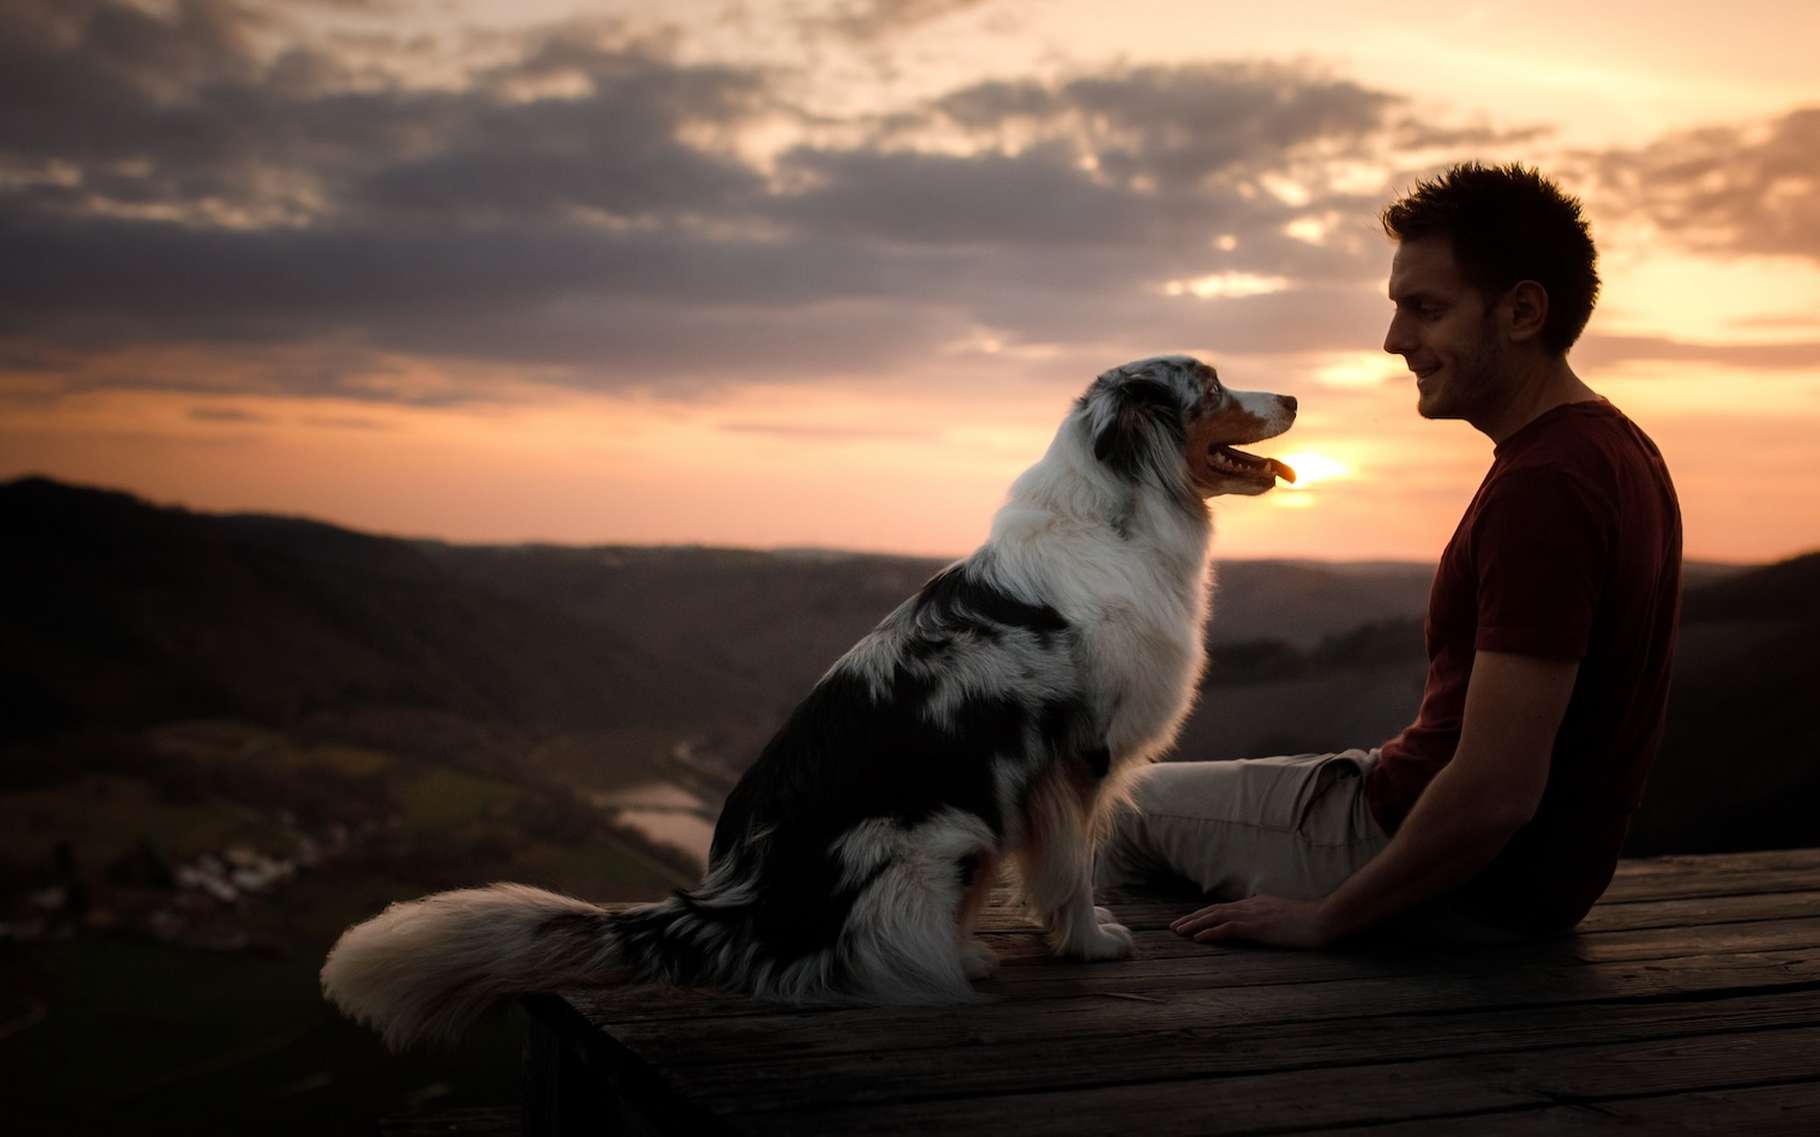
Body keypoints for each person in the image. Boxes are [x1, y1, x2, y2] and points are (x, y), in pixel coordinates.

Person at [1095, 162, 1683, 947]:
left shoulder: (1547, 486)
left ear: (1523, 311)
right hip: (1484, 851)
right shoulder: (1618, 449)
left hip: (1440, 861)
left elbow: (1498, 788)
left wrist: (1326, 921)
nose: (1396, 339)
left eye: (1426, 309)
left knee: (1103, 809)